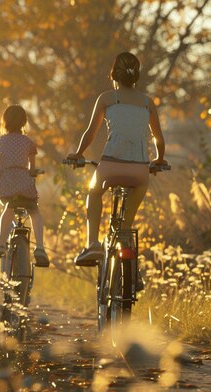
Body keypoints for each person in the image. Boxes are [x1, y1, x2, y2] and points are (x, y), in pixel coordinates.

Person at [66, 52, 167, 265]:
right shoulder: (148, 103)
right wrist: (158, 159)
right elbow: (158, 138)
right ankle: (131, 267)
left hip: (110, 167)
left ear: (114, 76)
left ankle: (92, 243)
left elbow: (90, 133)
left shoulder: (107, 98)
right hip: (139, 173)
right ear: (136, 78)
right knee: (125, 227)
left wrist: (78, 154)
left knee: (94, 193)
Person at [0, 104, 49, 266]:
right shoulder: (29, 143)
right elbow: (31, 169)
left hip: (4, 183)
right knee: (34, 210)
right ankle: (40, 247)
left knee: (9, 207)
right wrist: (34, 171)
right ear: (24, 122)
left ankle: (0, 244)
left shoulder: (1, 141)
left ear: (4, 122)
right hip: (24, 183)